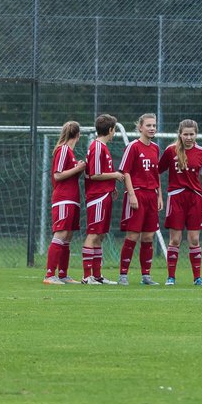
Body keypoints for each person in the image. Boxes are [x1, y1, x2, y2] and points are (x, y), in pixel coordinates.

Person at [158, 119, 202, 286]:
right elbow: (156, 173)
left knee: (194, 240)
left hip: (195, 198)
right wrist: (159, 194)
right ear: (180, 134)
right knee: (175, 240)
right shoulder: (170, 151)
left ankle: (197, 278)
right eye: (186, 134)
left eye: (192, 134)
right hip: (176, 198)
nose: (189, 137)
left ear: (196, 134)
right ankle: (171, 277)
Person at [117, 112, 163, 286]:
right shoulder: (133, 147)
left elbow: (156, 173)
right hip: (137, 193)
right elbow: (125, 172)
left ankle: (146, 276)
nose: (152, 128)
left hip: (152, 195)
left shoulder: (156, 148)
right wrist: (132, 195)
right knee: (133, 235)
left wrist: (159, 195)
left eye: (154, 125)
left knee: (148, 237)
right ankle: (123, 275)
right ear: (140, 127)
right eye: (148, 125)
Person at [81, 114, 124, 285]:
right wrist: (115, 175)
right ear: (111, 129)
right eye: (114, 130)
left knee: (101, 235)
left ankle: (97, 275)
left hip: (104, 194)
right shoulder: (98, 147)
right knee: (93, 234)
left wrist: (111, 186)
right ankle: (86, 277)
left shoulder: (103, 147)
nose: (114, 133)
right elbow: (94, 175)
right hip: (97, 197)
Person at [45, 121, 86, 285]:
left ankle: (63, 274)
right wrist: (77, 168)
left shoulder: (70, 152)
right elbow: (58, 175)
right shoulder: (63, 150)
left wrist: (79, 167)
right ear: (78, 135)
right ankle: (49, 275)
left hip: (72, 198)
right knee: (60, 233)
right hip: (63, 198)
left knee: (67, 235)